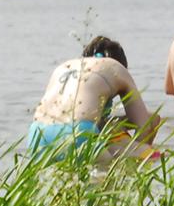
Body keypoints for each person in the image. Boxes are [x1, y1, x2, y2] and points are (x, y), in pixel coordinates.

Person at [29, 36, 160, 155]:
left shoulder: (64, 66)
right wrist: (138, 152)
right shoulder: (117, 68)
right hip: (78, 131)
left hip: (37, 134)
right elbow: (145, 126)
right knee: (153, 156)